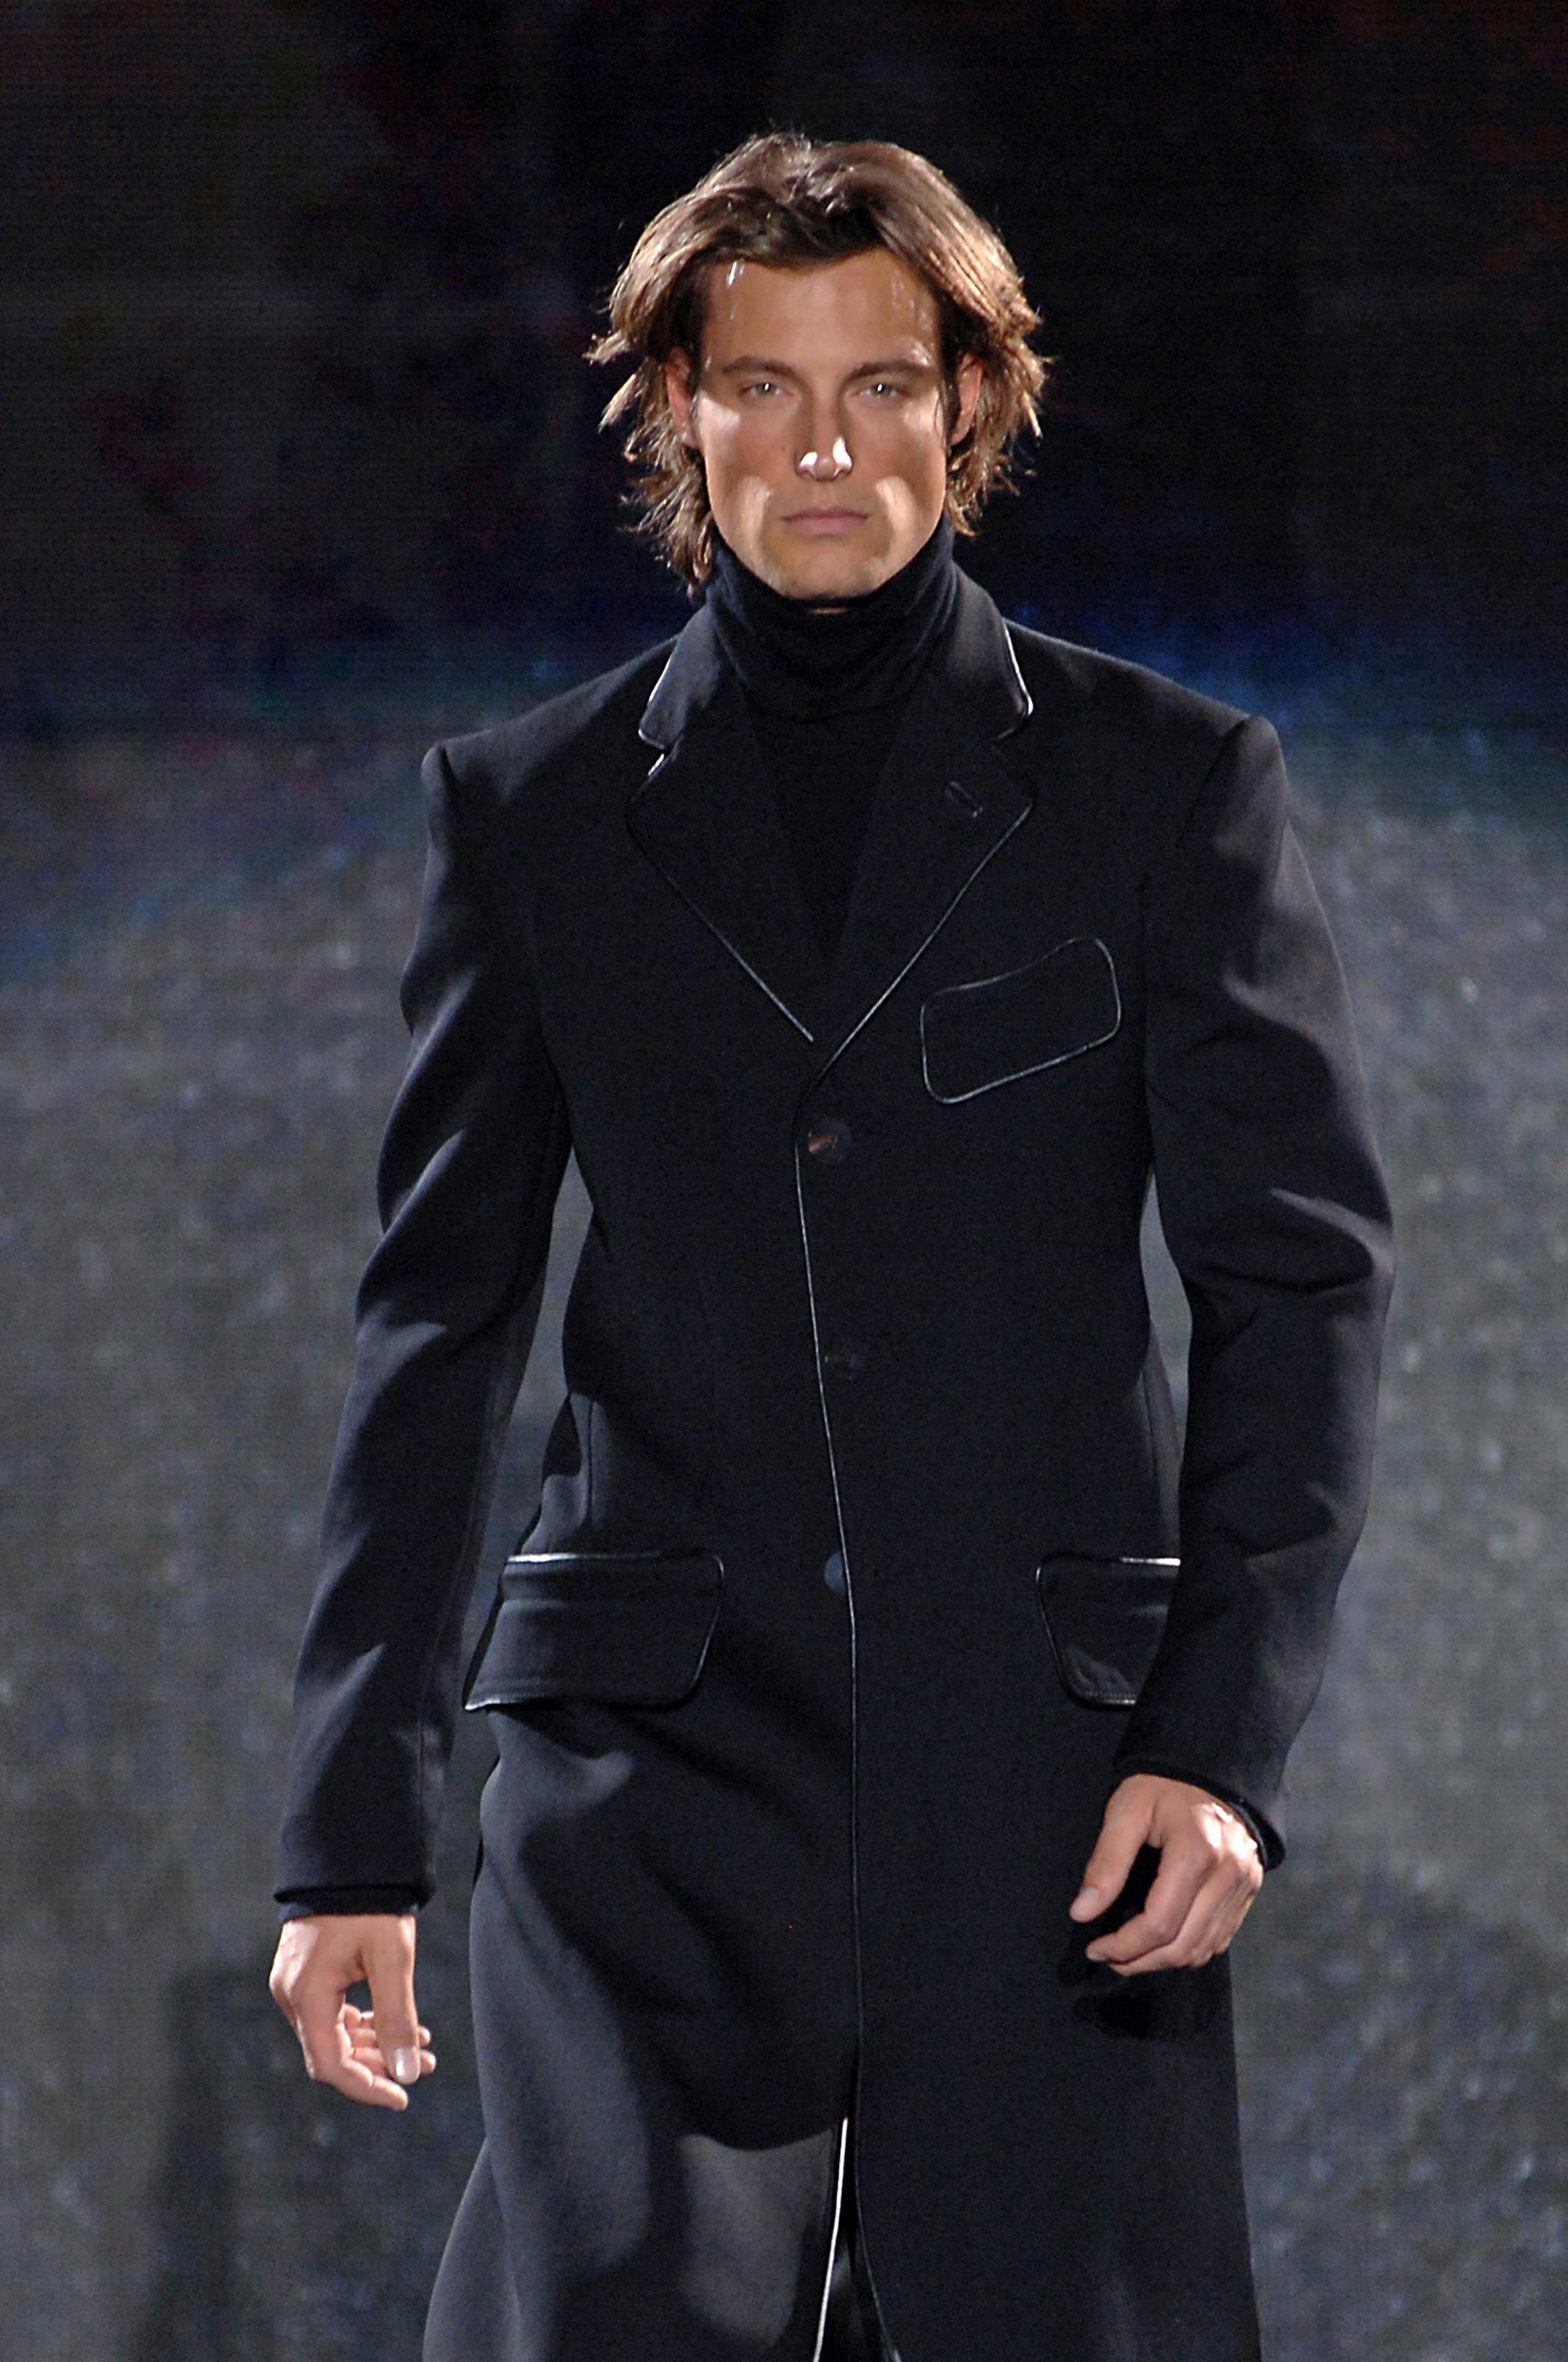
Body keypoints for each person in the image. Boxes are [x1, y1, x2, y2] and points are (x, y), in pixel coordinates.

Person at [270, 133, 1393, 2362]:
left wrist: (1222, 1741)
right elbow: (439, 1327)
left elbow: (1301, 1288)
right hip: (650, 1775)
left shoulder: (1164, 788)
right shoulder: (535, 812)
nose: (821, 446)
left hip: (1051, 1779)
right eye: (760, 386)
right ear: (676, 410)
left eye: (880, 385)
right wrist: (349, 1837)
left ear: (970, 403)